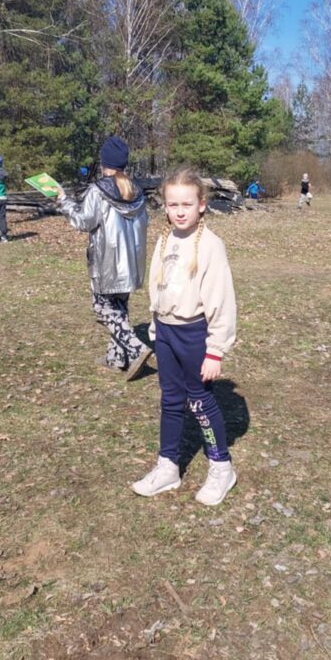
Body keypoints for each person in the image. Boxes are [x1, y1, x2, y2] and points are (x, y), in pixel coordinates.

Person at [132, 167, 238, 506]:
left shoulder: (210, 246)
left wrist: (215, 350)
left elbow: (221, 299)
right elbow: (158, 285)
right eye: (173, 204)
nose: (179, 211)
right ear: (165, 206)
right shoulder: (164, 240)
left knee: (200, 401)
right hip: (166, 332)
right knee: (170, 400)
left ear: (201, 204)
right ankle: (168, 466)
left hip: (194, 335)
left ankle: (221, 467)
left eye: (187, 204)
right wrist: (155, 326)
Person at [58, 136, 151, 380]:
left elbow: (82, 221)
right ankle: (116, 357)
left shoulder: (97, 191)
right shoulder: (136, 191)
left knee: (102, 307)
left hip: (107, 264)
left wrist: (64, 201)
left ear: (103, 163)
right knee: (119, 308)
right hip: (130, 263)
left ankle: (136, 348)